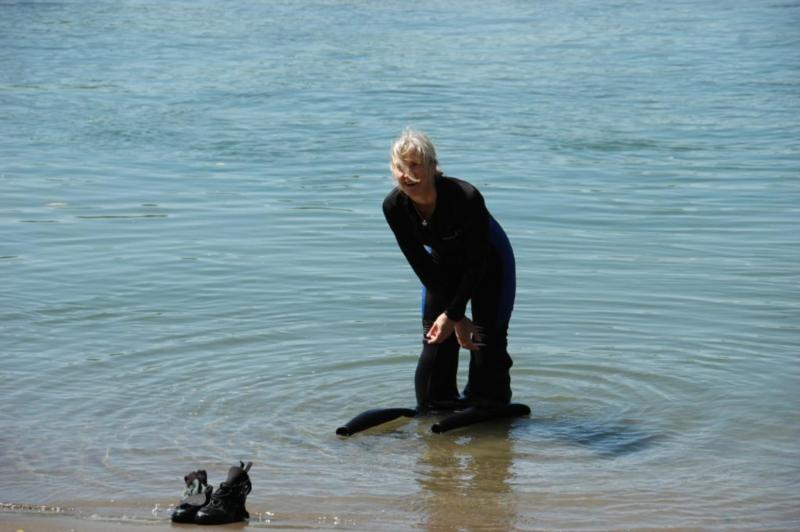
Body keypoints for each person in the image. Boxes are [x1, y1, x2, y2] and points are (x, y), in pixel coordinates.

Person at [383, 129, 516, 411]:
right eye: (399, 167)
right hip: (441, 265)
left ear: (433, 166)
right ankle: (437, 407)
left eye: (414, 165)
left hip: (489, 263)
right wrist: (452, 317)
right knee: (435, 336)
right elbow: (419, 262)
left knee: (485, 340)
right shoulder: (394, 206)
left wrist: (456, 314)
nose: (406, 174)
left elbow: (477, 262)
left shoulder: (464, 197)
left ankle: (489, 407)